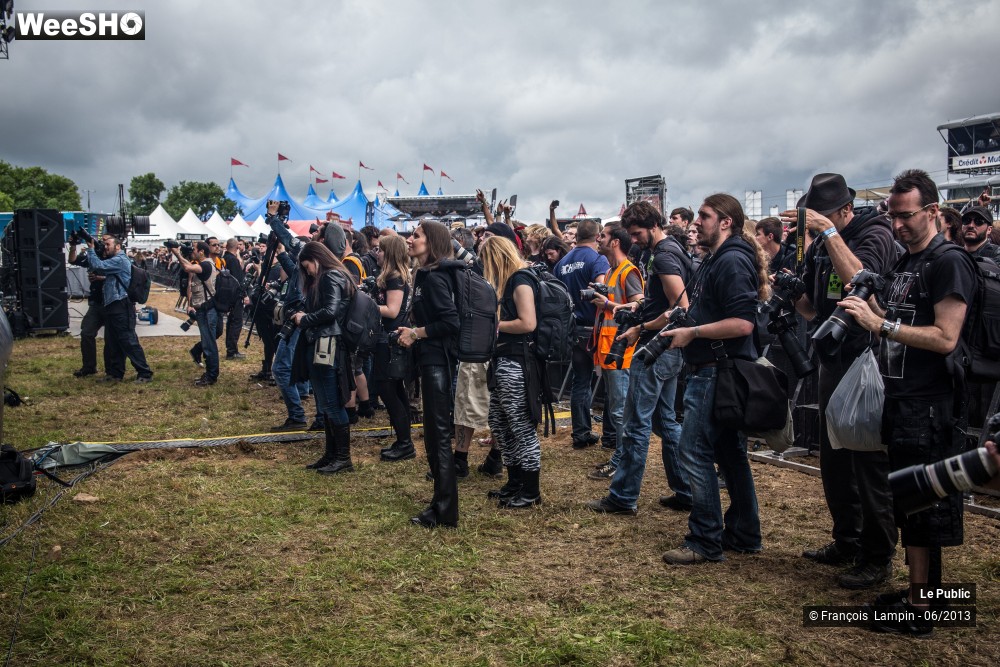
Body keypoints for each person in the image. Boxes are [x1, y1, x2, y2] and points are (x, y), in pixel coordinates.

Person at [838, 169, 976, 636]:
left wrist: (881, 327)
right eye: (891, 215)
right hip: (901, 400)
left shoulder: (948, 261)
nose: (897, 225)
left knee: (925, 512)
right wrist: (865, 313)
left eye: (906, 216)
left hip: (930, 404)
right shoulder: (906, 262)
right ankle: (922, 595)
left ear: (933, 211)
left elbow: (945, 337)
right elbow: (892, 318)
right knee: (908, 503)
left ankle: (925, 610)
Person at [778, 173, 899, 590]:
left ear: (846, 210)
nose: (813, 224)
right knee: (834, 458)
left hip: (869, 358)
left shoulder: (874, 232)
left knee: (867, 457)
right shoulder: (820, 247)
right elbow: (813, 309)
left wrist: (827, 232)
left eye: (823, 216)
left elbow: (863, 281)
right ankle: (846, 540)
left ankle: (877, 554)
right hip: (832, 356)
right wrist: (792, 292)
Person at [658, 193, 769, 564]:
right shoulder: (717, 258)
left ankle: (705, 539)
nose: (695, 223)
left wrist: (694, 334)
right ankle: (744, 533)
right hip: (716, 369)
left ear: (726, 222)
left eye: (703, 216)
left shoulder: (732, 260)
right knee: (729, 453)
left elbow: (742, 323)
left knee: (694, 450)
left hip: (716, 371)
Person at [585, 201, 691, 515]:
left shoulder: (665, 255)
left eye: (637, 233)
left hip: (658, 348)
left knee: (635, 424)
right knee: (665, 422)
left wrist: (640, 328)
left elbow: (680, 308)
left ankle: (623, 497)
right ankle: (685, 490)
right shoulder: (671, 250)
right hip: (669, 349)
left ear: (652, 225)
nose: (635, 239)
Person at [397, 221, 461, 529]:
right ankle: (440, 503)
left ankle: (445, 509)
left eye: (416, 236)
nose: (409, 240)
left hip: (438, 364)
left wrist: (416, 333)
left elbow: (451, 322)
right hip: (430, 362)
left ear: (431, 242)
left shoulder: (435, 278)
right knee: (435, 438)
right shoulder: (425, 275)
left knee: (438, 438)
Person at [479, 236, 543, 508]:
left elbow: (528, 323)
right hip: (505, 360)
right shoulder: (513, 282)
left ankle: (530, 490)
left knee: (520, 426)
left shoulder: (520, 280)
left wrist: (495, 325)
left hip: (517, 363)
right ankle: (516, 481)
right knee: (500, 422)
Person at [289, 242, 355, 475]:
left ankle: (342, 457)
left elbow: (331, 310)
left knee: (331, 402)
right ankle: (332, 455)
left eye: (307, 267)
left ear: (315, 259)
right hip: (325, 343)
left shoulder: (330, 277)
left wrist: (303, 319)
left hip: (327, 344)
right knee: (328, 402)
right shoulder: (335, 275)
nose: (307, 272)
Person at [587, 223, 644, 480]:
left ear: (615, 242)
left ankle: (622, 462)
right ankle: (621, 458)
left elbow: (639, 305)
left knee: (620, 410)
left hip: (622, 349)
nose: (598, 240)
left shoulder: (627, 271)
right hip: (611, 348)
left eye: (603, 236)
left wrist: (607, 303)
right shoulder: (611, 271)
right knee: (615, 409)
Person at [553, 218, 610, 449]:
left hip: (572, 329)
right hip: (595, 329)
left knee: (580, 381)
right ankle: (610, 436)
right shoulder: (598, 259)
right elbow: (601, 289)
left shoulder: (562, 262)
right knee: (608, 382)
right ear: (597, 237)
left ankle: (581, 433)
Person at [84, 235, 154, 384]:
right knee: (112, 342)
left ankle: (144, 372)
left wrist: (91, 249)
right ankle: (115, 374)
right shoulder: (116, 261)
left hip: (121, 305)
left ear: (118, 246)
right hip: (112, 305)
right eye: (104, 244)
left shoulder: (120, 259)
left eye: (108, 244)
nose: (105, 246)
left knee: (128, 340)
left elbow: (99, 266)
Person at [373, 235, 417, 463]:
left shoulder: (395, 278)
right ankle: (403, 440)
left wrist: (365, 303)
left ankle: (405, 443)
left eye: (380, 250)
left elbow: (391, 310)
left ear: (389, 253)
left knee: (389, 390)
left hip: (390, 341)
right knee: (394, 390)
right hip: (390, 340)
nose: (376, 253)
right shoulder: (394, 277)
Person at [171, 240, 219, 386]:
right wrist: (180, 255)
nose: (193, 251)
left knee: (208, 344)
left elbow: (186, 267)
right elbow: (188, 265)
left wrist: (177, 254)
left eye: (195, 249)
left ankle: (211, 375)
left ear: (202, 252)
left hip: (207, 310)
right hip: (204, 309)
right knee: (208, 342)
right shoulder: (206, 263)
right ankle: (211, 374)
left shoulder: (205, 265)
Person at [68, 239, 106, 378]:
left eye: (107, 242)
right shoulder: (92, 256)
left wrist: (100, 277)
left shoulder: (115, 258)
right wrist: (73, 246)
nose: (103, 244)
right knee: (87, 333)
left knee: (113, 337)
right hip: (96, 303)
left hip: (112, 303)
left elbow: (122, 276)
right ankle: (89, 367)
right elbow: (72, 260)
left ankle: (114, 369)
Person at [222, 238, 247, 360]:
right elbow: (239, 279)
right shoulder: (232, 260)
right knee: (236, 322)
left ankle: (230, 348)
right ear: (236, 247)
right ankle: (232, 351)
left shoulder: (224, 259)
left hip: (227, 295)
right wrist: (244, 295)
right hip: (235, 295)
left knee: (231, 322)